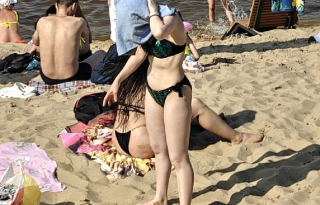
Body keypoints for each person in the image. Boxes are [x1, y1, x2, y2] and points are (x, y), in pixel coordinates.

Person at [104, 0, 196, 205]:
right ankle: (160, 198)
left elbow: (159, 32)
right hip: (152, 92)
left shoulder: (171, 21)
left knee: (178, 158)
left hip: (175, 92)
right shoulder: (150, 28)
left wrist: (153, 9)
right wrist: (117, 82)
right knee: (159, 149)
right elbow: (138, 56)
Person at [104, 59, 263, 162]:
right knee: (196, 105)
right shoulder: (153, 74)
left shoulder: (126, 75)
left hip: (119, 138)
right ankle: (237, 137)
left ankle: (209, 122)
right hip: (141, 143)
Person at [33, 0, 99, 85]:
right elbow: (88, 40)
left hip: (46, 77)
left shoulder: (42, 21)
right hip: (72, 77)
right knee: (101, 54)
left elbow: (36, 42)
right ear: (74, 5)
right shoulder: (79, 22)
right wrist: (78, 9)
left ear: (56, 5)